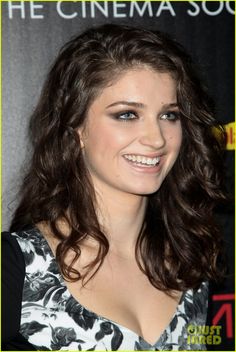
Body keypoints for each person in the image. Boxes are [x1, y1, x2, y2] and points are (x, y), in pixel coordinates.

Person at [2, 24, 226, 351]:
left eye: (170, 115)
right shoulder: (14, 268)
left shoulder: (193, 263)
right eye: (127, 114)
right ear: (77, 128)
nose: (157, 138)